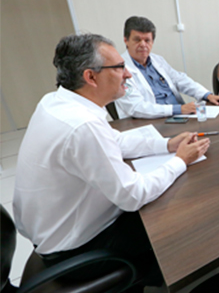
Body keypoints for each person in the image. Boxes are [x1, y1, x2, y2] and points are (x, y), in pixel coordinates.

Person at [13, 34, 208, 290]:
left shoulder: (58, 101)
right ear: (91, 77)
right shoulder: (82, 125)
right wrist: (181, 160)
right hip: (78, 250)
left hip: (52, 232)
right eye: (119, 67)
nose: (128, 74)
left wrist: (167, 145)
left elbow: (114, 140)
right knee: (181, 212)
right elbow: (133, 195)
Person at [115, 16, 219, 119]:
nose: (143, 44)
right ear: (126, 40)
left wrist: (206, 95)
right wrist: (179, 109)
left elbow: (179, 79)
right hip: (150, 121)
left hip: (179, 116)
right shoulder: (119, 69)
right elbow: (136, 108)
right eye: (137, 40)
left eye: (147, 40)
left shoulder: (157, 60)